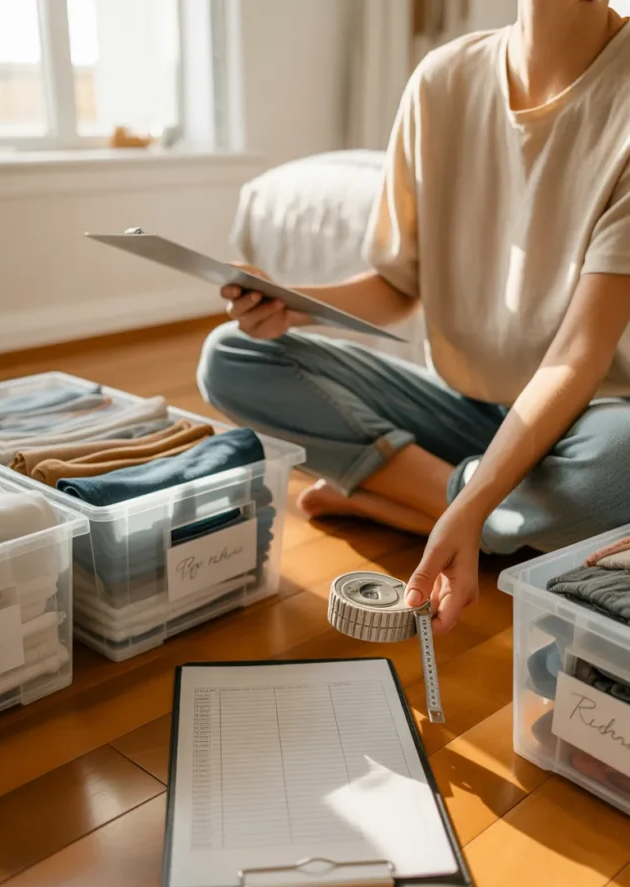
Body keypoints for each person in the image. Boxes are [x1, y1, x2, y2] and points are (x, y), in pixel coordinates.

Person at [197, 0, 630, 634]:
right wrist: (289, 300)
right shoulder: (442, 78)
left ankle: (415, 506)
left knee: (618, 470)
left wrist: (470, 507)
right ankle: (466, 516)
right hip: (462, 407)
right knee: (231, 356)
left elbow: (576, 357)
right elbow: (396, 287)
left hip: (584, 419)